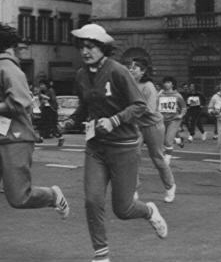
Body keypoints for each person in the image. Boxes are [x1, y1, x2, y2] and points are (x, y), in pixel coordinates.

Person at [0, 17, 69, 262]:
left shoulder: (8, 67)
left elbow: (21, 103)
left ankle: (52, 196)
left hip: (16, 139)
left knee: (19, 198)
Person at [65, 23, 167, 262]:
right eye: (82, 46)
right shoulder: (81, 75)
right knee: (92, 201)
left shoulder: (118, 71)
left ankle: (149, 211)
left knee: (123, 210)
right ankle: (101, 255)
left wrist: (114, 120)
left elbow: (139, 105)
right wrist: (70, 121)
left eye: (90, 46)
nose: (85, 51)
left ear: (103, 48)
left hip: (124, 148)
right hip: (96, 148)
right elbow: (84, 106)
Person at [129, 57, 176, 202]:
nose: (130, 70)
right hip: (137, 125)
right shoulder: (130, 84)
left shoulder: (148, 86)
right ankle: (133, 189)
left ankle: (170, 187)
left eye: (134, 68)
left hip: (153, 125)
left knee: (157, 158)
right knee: (131, 157)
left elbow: (149, 109)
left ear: (142, 71)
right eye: (130, 67)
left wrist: (128, 112)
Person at [157, 76, 187, 164]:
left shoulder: (177, 95)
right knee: (162, 140)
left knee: (168, 140)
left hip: (174, 120)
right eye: (165, 82)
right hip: (162, 120)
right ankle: (178, 140)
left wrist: (181, 115)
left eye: (169, 82)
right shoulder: (160, 95)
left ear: (172, 84)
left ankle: (167, 159)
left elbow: (184, 108)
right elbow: (155, 106)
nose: (166, 84)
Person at [38, 80, 63, 145]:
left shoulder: (50, 90)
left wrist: (45, 97)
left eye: (42, 85)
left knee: (53, 124)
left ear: (45, 85)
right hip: (45, 109)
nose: (41, 86)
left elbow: (53, 99)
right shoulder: (41, 92)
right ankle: (41, 138)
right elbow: (40, 100)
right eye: (40, 85)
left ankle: (60, 137)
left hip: (51, 110)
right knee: (42, 123)